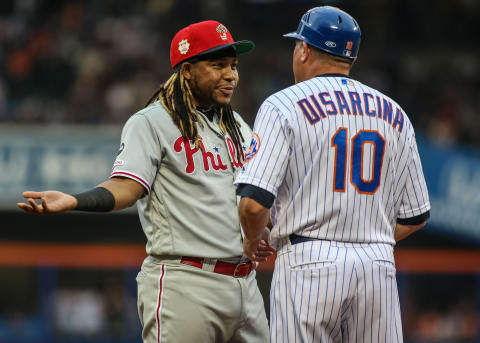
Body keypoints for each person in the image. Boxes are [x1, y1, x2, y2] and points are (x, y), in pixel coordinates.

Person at [17, 20, 271, 343]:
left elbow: (250, 195)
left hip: (246, 283)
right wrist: (75, 200)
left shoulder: (236, 125)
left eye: (233, 65)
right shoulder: (152, 122)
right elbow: (127, 186)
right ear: (188, 70)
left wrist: (262, 226)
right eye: (218, 64)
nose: (230, 74)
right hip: (187, 283)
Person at [235, 6, 430, 343]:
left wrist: (252, 241)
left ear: (304, 49)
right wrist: (368, 241)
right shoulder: (394, 112)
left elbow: (253, 205)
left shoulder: (283, 104)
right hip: (377, 265)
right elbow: (416, 216)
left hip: (309, 261)